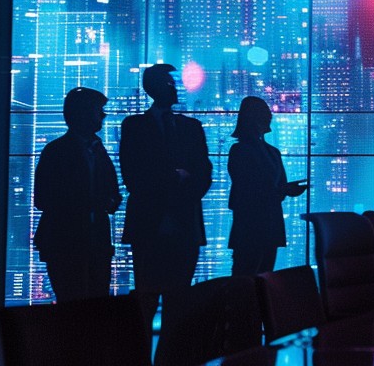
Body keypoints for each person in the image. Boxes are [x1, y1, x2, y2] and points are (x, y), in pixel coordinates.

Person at [120, 64, 212, 296]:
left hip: (182, 223)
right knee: (147, 295)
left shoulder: (191, 127)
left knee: (179, 296)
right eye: (169, 83)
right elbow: (132, 175)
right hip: (151, 223)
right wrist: (177, 178)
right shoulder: (134, 126)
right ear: (153, 88)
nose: (175, 89)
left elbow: (204, 173)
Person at [33, 87, 122, 302]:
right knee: (75, 304)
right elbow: (43, 198)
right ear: (82, 113)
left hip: (90, 242)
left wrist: (108, 201)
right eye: (97, 110)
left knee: (86, 304)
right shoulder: (58, 151)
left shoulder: (94, 149)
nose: (103, 115)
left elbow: (113, 191)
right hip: (68, 242)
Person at [226, 96, 308, 277]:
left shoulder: (269, 152)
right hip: (252, 225)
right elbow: (248, 189)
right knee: (249, 279)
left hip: (265, 225)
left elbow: (267, 188)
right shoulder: (242, 151)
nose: (270, 115)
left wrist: (284, 190)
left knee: (259, 277)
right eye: (265, 112)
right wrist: (283, 190)